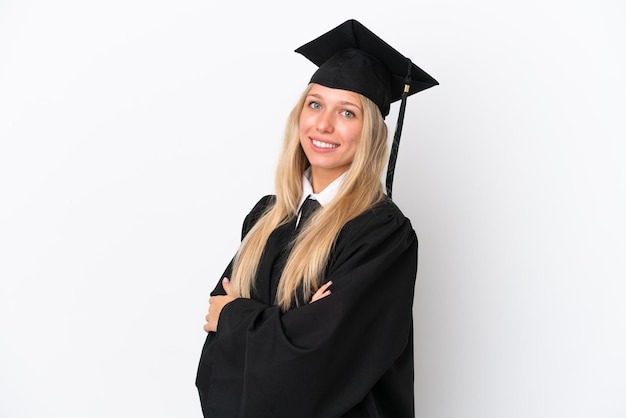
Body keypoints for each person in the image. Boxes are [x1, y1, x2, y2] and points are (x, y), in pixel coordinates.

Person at [196, 19, 438, 417]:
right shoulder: (267, 217)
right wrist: (291, 324)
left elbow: (324, 362)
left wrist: (238, 317)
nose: (323, 124)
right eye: (315, 104)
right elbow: (216, 344)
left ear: (372, 132)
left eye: (347, 112)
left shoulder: (380, 233)